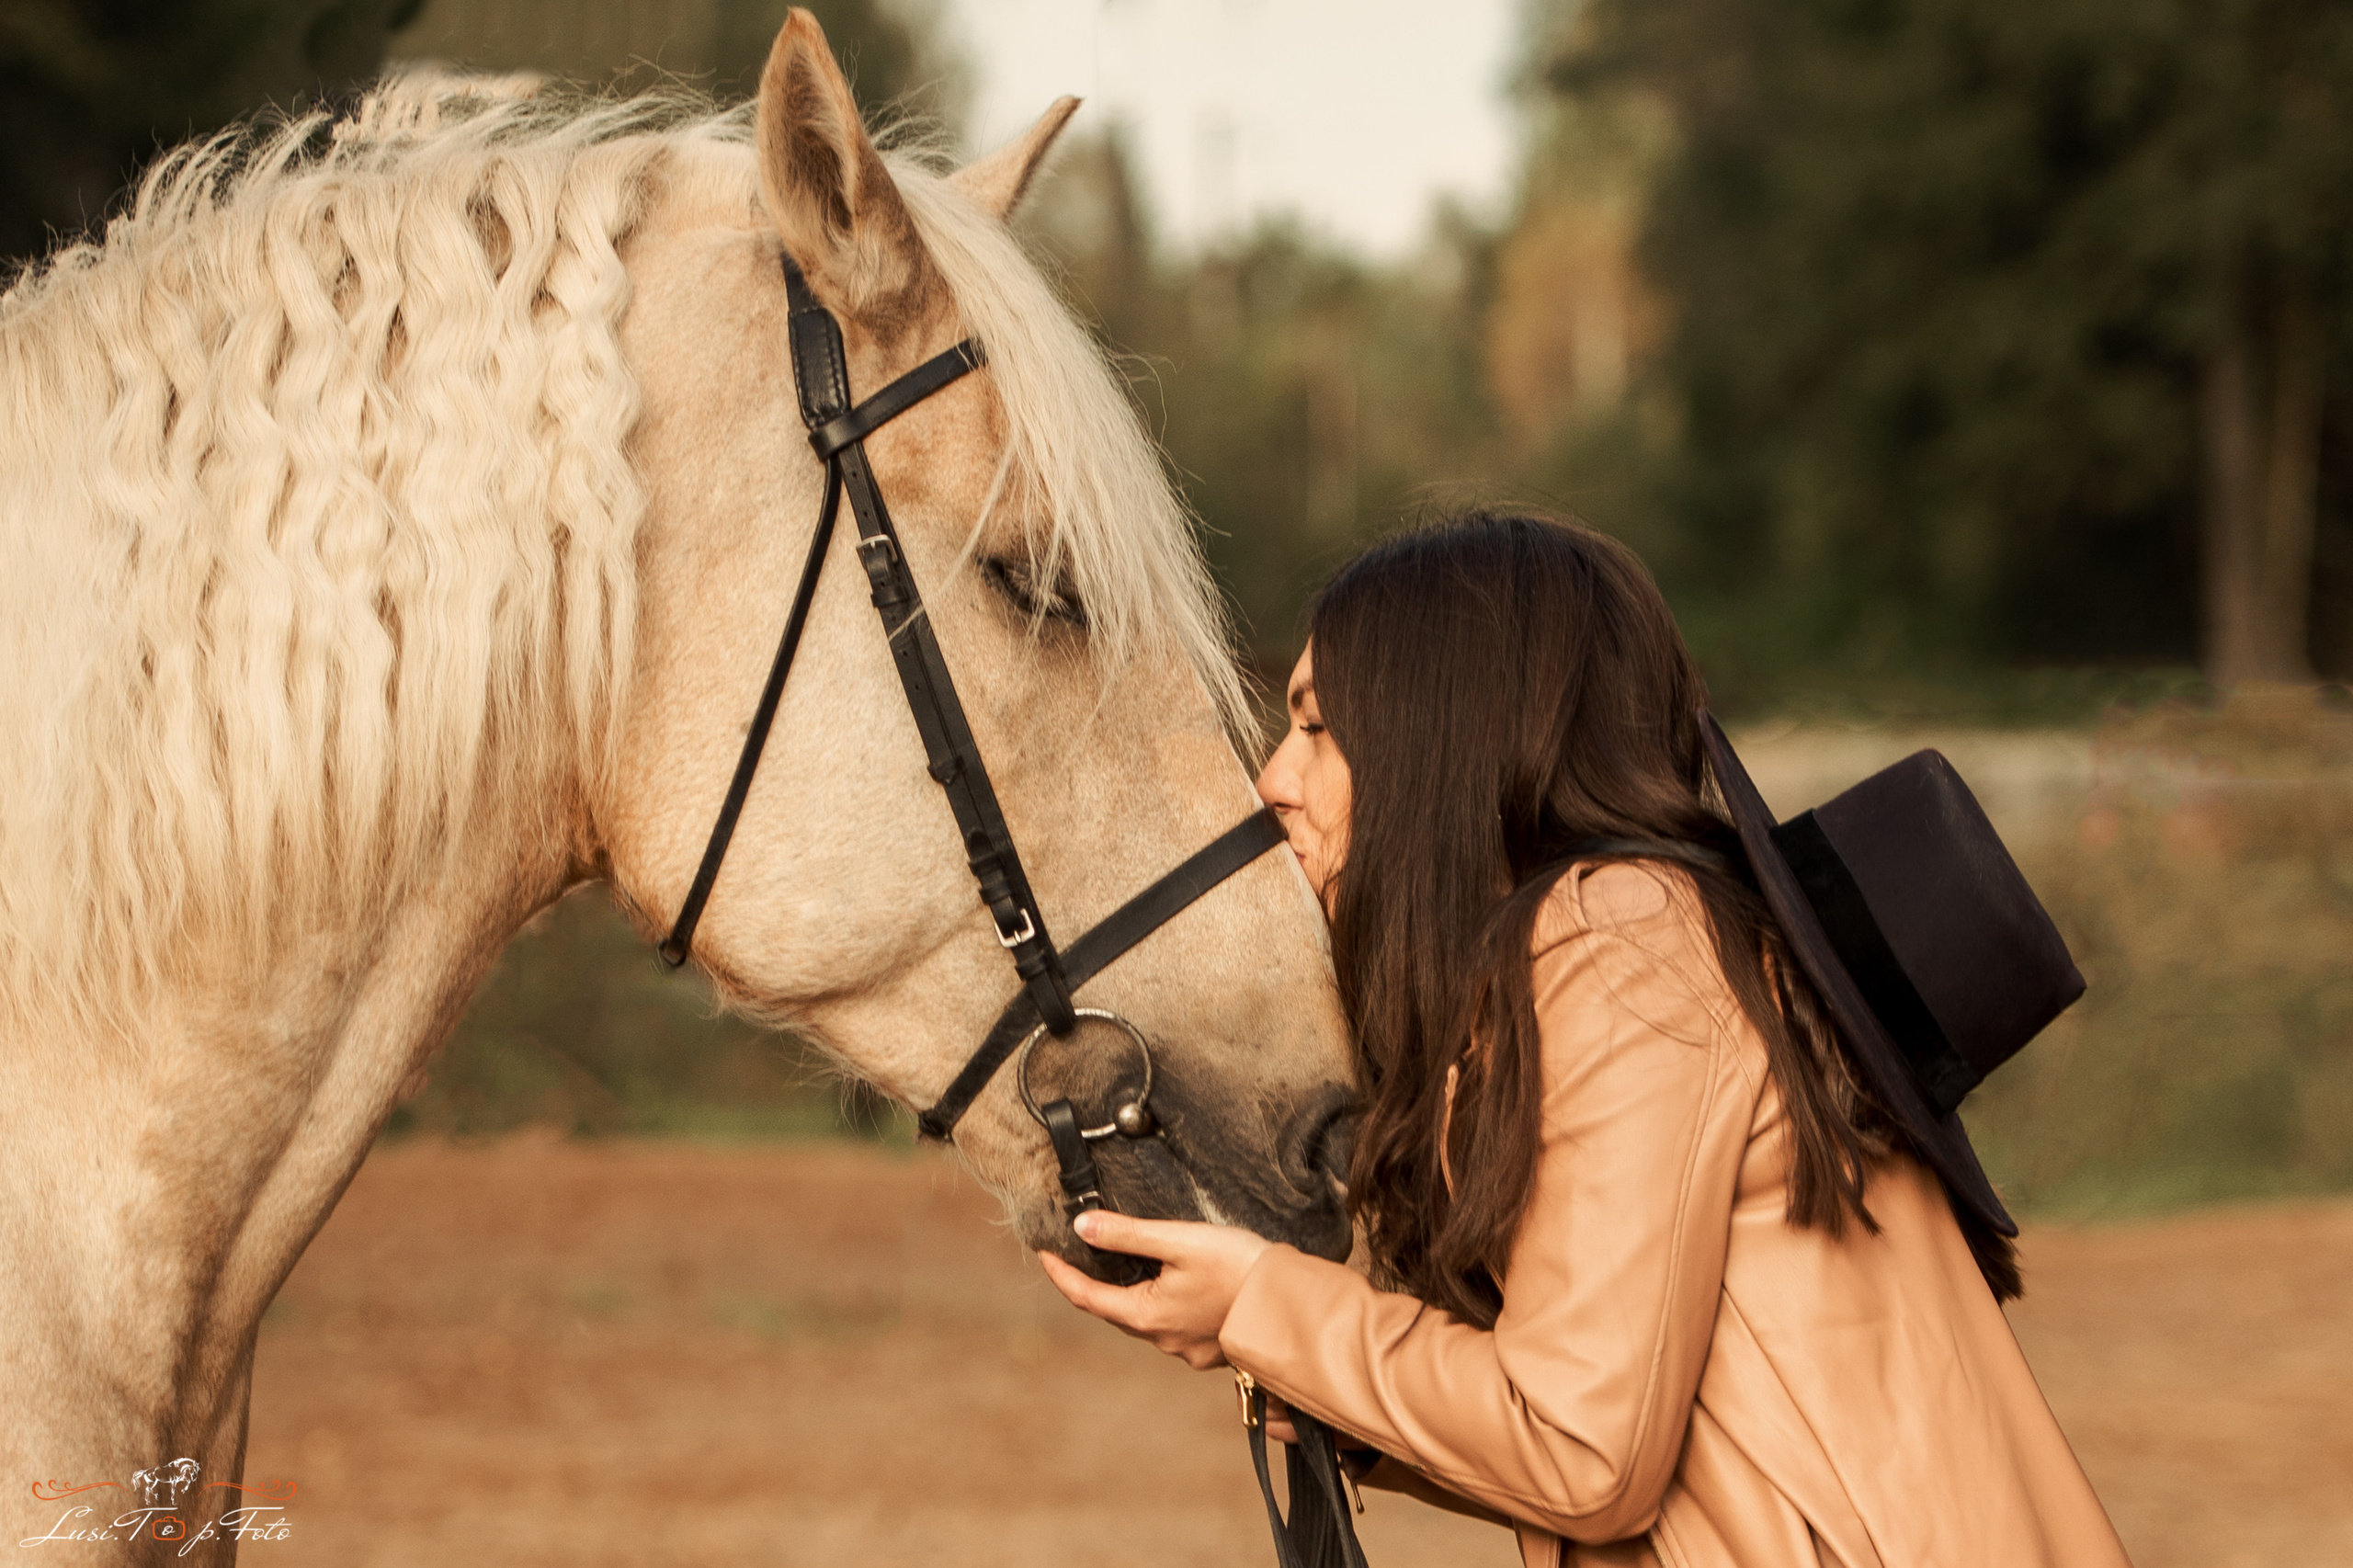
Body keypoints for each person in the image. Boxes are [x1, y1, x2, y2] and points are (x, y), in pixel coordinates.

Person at [1040, 512, 2131, 1567]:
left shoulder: (1617, 945)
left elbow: (1583, 1451)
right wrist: (1311, 1376)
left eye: (1317, 728)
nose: (1273, 780)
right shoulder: (1638, 940)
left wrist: (1264, 1303)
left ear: (1445, 737)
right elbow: (1633, 1431)